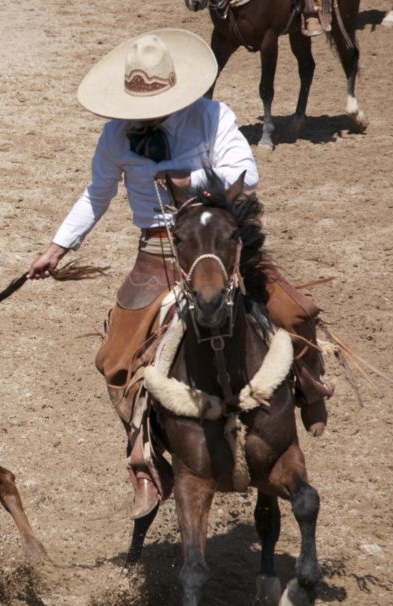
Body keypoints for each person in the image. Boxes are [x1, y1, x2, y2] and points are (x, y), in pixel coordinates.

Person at [28, 28, 333, 519]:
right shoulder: (114, 135)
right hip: (154, 254)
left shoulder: (212, 117)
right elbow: (96, 194)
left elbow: (245, 172)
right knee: (115, 359)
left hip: (214, 244)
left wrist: (193, 183)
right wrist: (57, 247)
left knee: (296, 312)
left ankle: (311, 390)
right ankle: (147, 461)